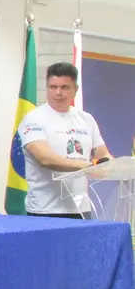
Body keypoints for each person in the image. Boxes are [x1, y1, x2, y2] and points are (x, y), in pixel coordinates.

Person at [18, 62, 112, 218]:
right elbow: (46, 159)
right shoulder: (34, 119)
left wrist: (118, 166)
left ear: (75, 89)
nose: (58, 93)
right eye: (53, 87)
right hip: (45, 211)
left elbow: (103, 155)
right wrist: (88, 166)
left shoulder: (86, 119)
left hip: (80, 209)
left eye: (64, 87)